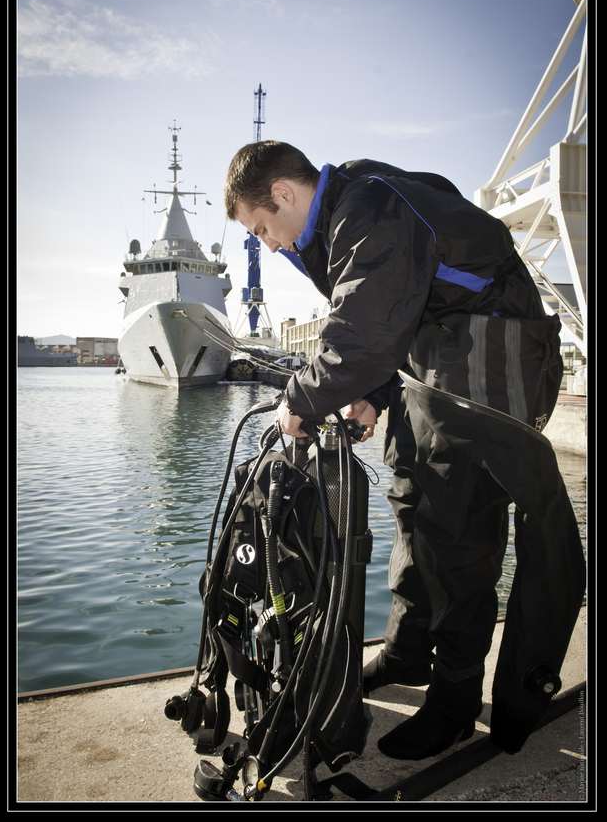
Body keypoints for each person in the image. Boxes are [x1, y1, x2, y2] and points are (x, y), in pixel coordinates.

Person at [224, 140, 585, 759]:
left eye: (263, 229)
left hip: (492, 357)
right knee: (410, 499)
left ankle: (455, 698)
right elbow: (411, 304)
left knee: (458, 528)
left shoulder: (366, 207)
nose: (272, 245)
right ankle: (409, 650)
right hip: (437, 352)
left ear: (283, 194)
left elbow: (363, 327)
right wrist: (375, 392)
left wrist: (300, 399)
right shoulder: (355, 203)